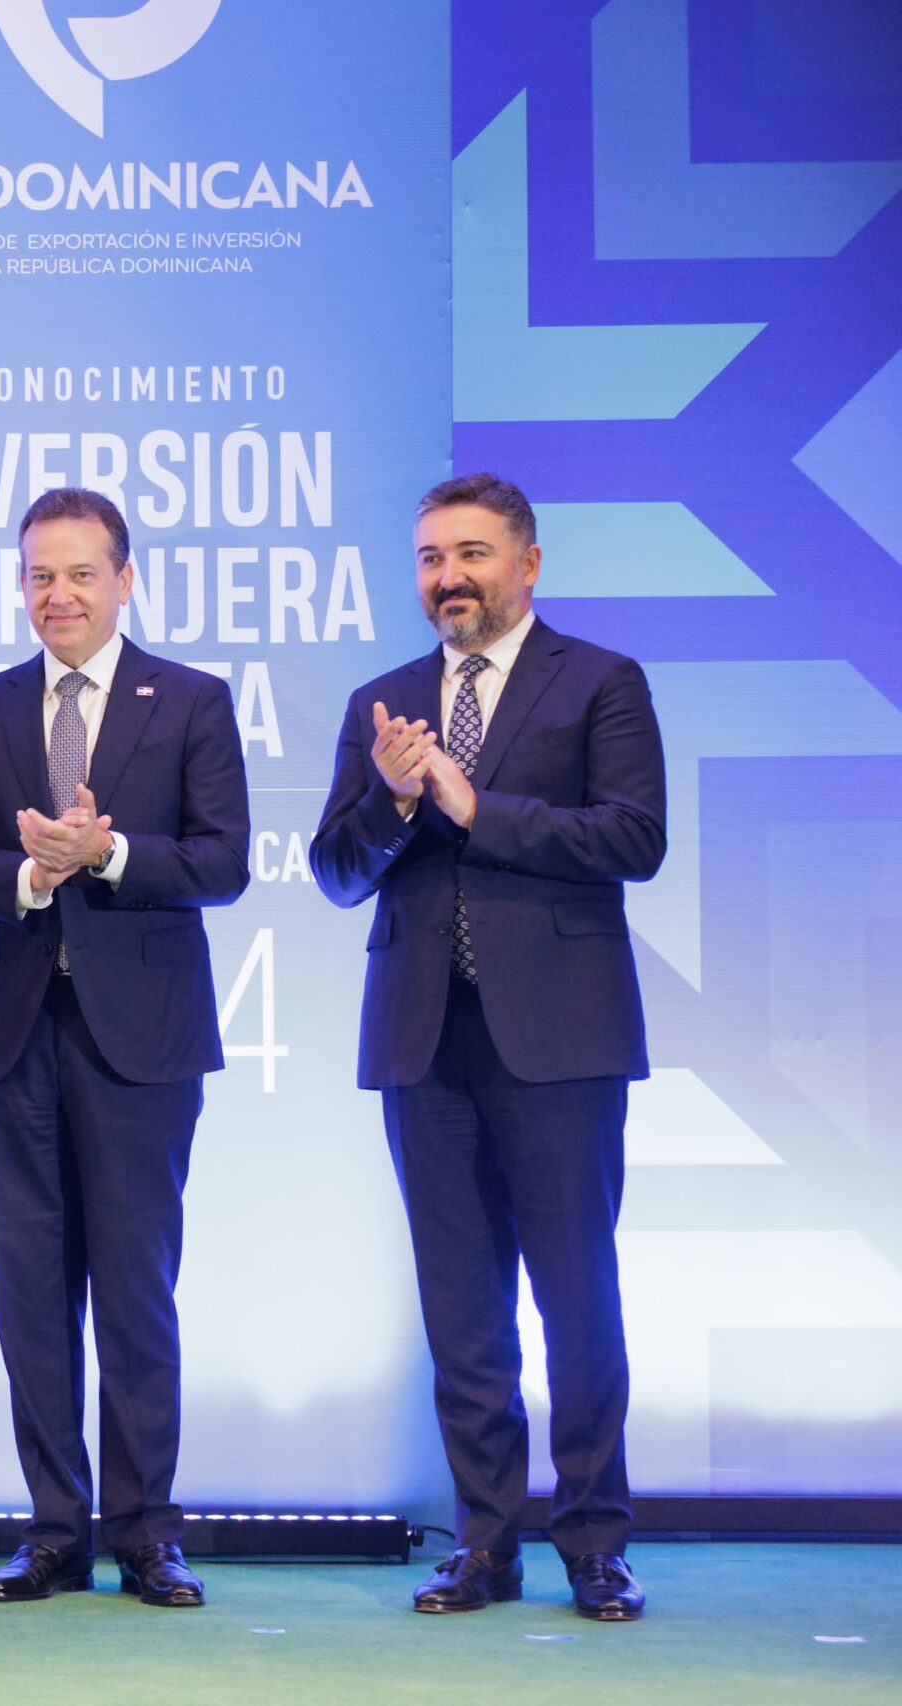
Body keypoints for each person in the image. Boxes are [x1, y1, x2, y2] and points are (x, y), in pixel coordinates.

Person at [311, 474, 665, 1622]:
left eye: (469, 552)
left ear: (527, 562)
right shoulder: (382, 703)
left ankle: (595, 1542)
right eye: (429, 557)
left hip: (561, 1041)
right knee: (462, 1311)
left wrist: (473, 805)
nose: (447, 576)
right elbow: (334, 872)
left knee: (576, 1299)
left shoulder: (599, 681)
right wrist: (392, 800)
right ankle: (484, 1543)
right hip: (424, 1042)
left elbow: (634, 836)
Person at [0, 487, 249, 1609]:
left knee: (136, 1292)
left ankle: (147, 1532)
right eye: (38, 575)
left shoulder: (192, 700)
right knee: (31, 1293)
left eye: (78, 573)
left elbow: (223, 860)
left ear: (124, 579)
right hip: (14, 1033)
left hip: (143, 1041)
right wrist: (28, 873)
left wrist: (105, 856)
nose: (56, 594)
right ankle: (54, 1531)